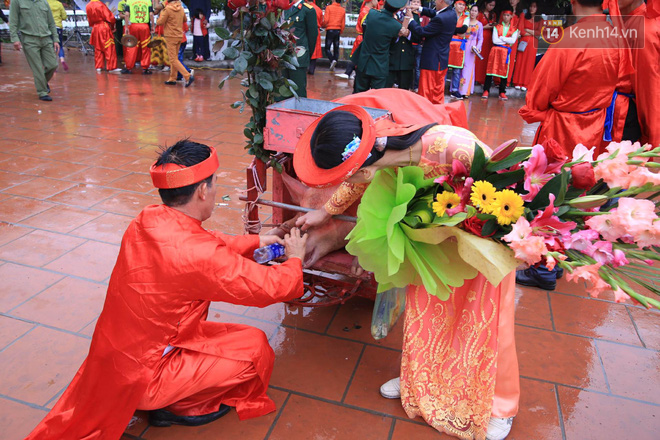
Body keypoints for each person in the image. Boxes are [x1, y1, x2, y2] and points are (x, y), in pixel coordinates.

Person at [24, 140, 308, 439]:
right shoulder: (199, 256)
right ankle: (177, 404)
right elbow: (274, 287)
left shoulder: (147, 218)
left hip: (119, 360)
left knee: (247, 338)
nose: (213, 191)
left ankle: (167, 394)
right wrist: (296, 256)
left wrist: (256, 242)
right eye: (214, 185)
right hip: (148, 374)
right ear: (201, 191)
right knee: (254, 351)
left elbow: (205, 242)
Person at [292, 89, 520, 440]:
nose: (345, 183)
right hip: (429, 245)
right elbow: (359, 183)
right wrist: (325, 211)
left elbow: (506, 194)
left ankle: (500, 406)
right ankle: (420, 381)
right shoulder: (380, 151)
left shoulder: (450, 144)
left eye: (346, 174)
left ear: (363, 160)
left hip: (480, 244)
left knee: (485, 321)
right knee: (424, 312)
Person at [519, 0, 622, 153]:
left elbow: (542, 90)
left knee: (554, 174)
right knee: (586, 172)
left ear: (573, 2)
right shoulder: (615, 37)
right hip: (596, 126)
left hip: (562, 130)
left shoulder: (568, 39)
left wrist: (535, 108)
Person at [618, 0, 660, 148]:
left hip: (637, 124)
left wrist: (654, 143)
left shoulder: (643, 29)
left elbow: (650, 91)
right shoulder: (629, 21)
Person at [406, 0, 458, 103]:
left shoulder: (441, 19)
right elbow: (435, 13)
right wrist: (419, 9)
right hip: (441, 59)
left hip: (432, 60)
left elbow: (422, 32)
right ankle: (438, 115)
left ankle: (426, 116)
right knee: (437, 92)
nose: (434, 1)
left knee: (426, 92)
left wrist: (411, 20)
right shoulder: (451, 13)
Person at [9, 0, 60, 101]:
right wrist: (15, 39)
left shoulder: (43, 2)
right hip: (29, 39)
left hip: (46, 38)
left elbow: (51, 22)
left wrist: (55, 39)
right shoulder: (17, 1)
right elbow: (13, 21)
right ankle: (42, 92)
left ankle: (42, 83)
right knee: (37, 67)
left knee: (52, 64)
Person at [352, 0, 407, 93]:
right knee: (376, 96)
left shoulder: (372, 13)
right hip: (380, 66)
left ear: (384, 3)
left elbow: (365, 31)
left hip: (364, 61)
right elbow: (392, 44)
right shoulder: (396, 25)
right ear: (397, 10)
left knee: (358, 94)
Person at [283, 0, 318, 97]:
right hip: (282, 56)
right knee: (281, 92)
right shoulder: (282, 8)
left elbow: (312, 36)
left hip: (298, 57)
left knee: (298, 92)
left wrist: (306, 56)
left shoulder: (308, 10)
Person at [481, 9, 518, 101]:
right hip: (495, 50)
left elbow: (513, 41)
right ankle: (486, 90)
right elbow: (495, 40)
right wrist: (506, 39)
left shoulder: (514, 29)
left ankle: (502, 92)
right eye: (504, 15)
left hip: (505, 52)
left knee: (504, 71)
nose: (506, 17)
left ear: (511, 17)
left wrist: (501, 37)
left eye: (508, 15)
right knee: (490, 70)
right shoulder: (496, 27)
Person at [336, 0, 377, 80]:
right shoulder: (366, 12)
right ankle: (348, 72)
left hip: (363, 37)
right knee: (356, 55)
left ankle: (349, 72)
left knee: (357, 56)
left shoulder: (368, 11)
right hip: (363, 38)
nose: (377, 2)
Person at [157, 0, 194, 86]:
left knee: (173, 59)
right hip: (179, 36)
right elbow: (184, 19)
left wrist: (162, 12)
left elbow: (160, 22)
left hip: (170, 36)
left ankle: (187, 76)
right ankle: (172, 78)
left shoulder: (167, 9)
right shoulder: (180, 8)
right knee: (175, 58)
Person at [385, 6, 418, 90]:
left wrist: (409, 34)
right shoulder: (388, 14)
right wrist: (396, 35)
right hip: (390, 57)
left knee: (404, 90)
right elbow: (382, 35)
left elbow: (419, 36)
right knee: (385, 89)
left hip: (406, 59)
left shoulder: (414, 16)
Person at [86, 0, 122, 73]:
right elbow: (110, 17)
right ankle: (111, 67)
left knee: (98, 47)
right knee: (109, 47)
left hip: (95, 27)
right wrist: (112, 27)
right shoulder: (101, 5)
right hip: (103, 26)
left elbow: (89, 20)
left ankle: (99, 66)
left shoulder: (88, 6)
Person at [511, 1, 538, 91]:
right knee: (520, 61)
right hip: (524, 43)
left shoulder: (540, 20)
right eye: (531, 6)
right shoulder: (523, 15)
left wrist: (528, 31)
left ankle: (526, 83)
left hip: (533, 45)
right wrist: (532, 32)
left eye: (534, 7)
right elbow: (521, 31)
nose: (532, 9)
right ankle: (517, 82)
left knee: (529, 63)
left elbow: (539, 34)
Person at [457, 4, 483, 98]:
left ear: (478, 13)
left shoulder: (479, 25)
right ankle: (455, 89)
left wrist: (477, 47)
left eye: (475, 11)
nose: (473, 13)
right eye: (472, 10)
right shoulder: (465, 21)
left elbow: (480, 38)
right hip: (462, 44)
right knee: (458, 66)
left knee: (467, 69)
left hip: (471, 48)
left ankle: (464, 90)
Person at [122, 0, 154, 75]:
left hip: (134, 26)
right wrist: (152, 26)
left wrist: (126, 27)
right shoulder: (148, 1)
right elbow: (151, 14)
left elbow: (126, 14)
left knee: (132, 45)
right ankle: (145, 68)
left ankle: (128, 67)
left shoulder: (129, 1)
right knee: (146, 47)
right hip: (144, 26)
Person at [448, 0, 469, 100]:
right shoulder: (449, 14)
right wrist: (456, 30)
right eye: (460, 4)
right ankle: (440, 87)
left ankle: (455, 90)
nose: (461, 6)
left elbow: (463, 29)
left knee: (456, 70)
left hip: (459, 46)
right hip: (448, 43)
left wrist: (451, 30)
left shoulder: (466, 18)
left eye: (463, 5)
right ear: (455, 5)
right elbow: (458, 30)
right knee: (444, 67)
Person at [475, 0, 496, 85]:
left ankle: (483, 79)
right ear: (485, 3)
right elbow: (475, 26)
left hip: (489, 39)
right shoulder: (479, 13)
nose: (491, 7)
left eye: (493, 6)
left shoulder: (493, 15)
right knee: (478, 58)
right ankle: (476, 78)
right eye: (490, 5)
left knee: (486, 59)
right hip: (480, 36)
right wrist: (485, 27)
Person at [323, 0, 346, 71]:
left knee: (327, 48)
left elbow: (326, 20)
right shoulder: (342, 10)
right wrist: (341, 30)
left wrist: (323, 25)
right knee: (336, 47)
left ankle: (332, 60)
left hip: (330, 29)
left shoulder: (329, 8)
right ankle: (335, 60)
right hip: (337, 30)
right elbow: (343, 23)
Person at [47, 0, 67, 71]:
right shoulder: (59, 4)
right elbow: (64, 16)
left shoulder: (45, 3)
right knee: (60, 45)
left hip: (48, 28)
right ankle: (62, 59)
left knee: (50, 46)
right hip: (58, 28)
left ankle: (53, 64)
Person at [306, 0, 323, 75]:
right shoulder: (318, 9)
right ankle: (312, 69)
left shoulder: (305, 8)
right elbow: (321, 22)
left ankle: (306, 67)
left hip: (307, 31)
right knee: (315, 52)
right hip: (316, 31)